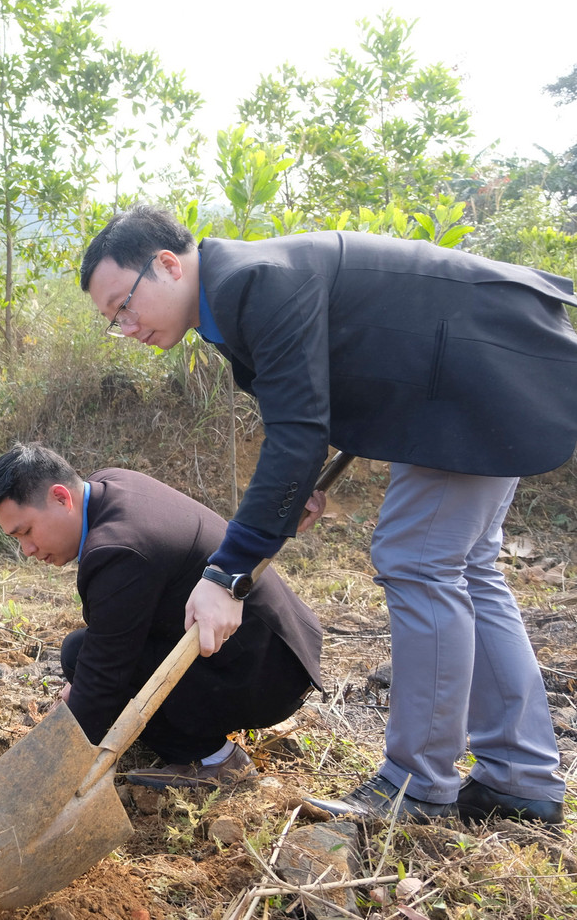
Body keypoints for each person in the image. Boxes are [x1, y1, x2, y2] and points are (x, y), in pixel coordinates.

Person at [80, 205, 577, 824]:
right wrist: (297, 486)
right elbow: (327, 391)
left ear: (168, 265)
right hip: (484, 377)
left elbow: (297, 428)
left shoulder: (252, 281)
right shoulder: (233, 299)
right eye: (112, 321)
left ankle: (417, 784)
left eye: (122, 306)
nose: (124, 327)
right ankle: (520, 775)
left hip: (476, 376)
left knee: (418, 559)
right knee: (467, 568)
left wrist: (226, 575)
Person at [0, 443, 323, 787]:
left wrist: (50, 773)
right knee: (79, 655)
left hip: (264, 678)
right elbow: (115, 631)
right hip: (281, 645)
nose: (27, 550)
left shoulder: (118, 548)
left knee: (82, 659)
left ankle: (216, 760)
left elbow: (104, 677)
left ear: (60, 497)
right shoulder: (110, 484)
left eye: (25, 532)